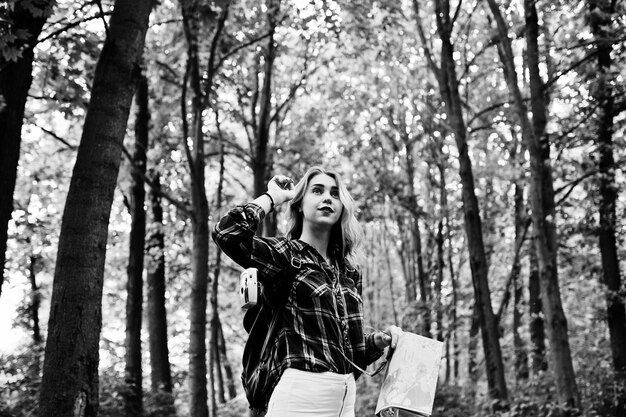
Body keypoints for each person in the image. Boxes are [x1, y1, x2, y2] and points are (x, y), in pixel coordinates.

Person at [212, 166, 402, 417]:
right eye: (317, 191)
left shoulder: (349, 271)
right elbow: (228, 232)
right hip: (300, 395)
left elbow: (352, 355)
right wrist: (273, 198)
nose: (328, 198)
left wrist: (377, 342)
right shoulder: (287, 255)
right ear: (300, 204)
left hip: (345, 400)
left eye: (335, 194)